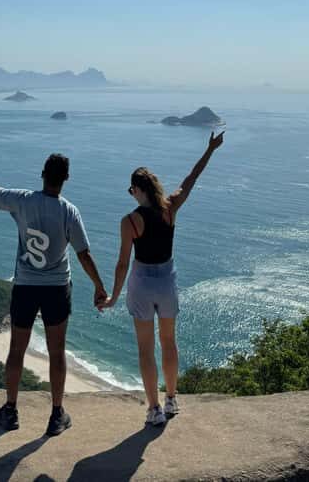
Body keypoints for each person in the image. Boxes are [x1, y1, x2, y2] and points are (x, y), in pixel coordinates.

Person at [0, 150, 108, 437]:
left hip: (25, 287)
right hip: (57, 288)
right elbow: (84, 254)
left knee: (16, 350)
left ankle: (11, 410)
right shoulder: (69, 211)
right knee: (57, 352)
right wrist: (100, 287)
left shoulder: (23, 201)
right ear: (66, 179)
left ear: (42, 174)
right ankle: (56, 414)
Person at [104, 130, 224, 425]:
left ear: (136, 189)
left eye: (130, 190)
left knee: (146, 348)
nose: (130, 194)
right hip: (167, 281)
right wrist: (210, 149)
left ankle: (154, 409)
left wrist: (112, 298)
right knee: (169, 342)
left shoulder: (130, 221)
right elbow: (191, 178)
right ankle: (171, 400)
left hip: (141, 284)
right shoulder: (170, 207)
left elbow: (122, 264)